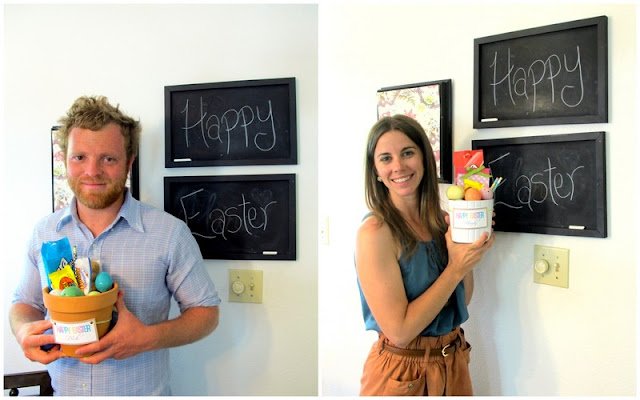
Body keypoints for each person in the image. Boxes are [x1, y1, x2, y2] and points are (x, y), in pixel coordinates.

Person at [9, 96, 221, 396]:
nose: (92, 171)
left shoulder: (169, 234)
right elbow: (25, 303)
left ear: (129, 162)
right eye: (79, 157)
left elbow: (206, 313)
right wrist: (23, 331)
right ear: (64, 159)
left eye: (108, 159)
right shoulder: (43, 232)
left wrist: (147, 338)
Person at [355, 114, 495, 396]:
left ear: (424, 159)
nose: (398, 166)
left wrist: (468, 250)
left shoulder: (442, 221)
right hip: (402, 374)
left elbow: (462, 300)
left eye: (408, 153)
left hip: (453, 361)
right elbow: (400, 332)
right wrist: (455, 268)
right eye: (385, 158)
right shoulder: (375, 233)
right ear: (376, 171)